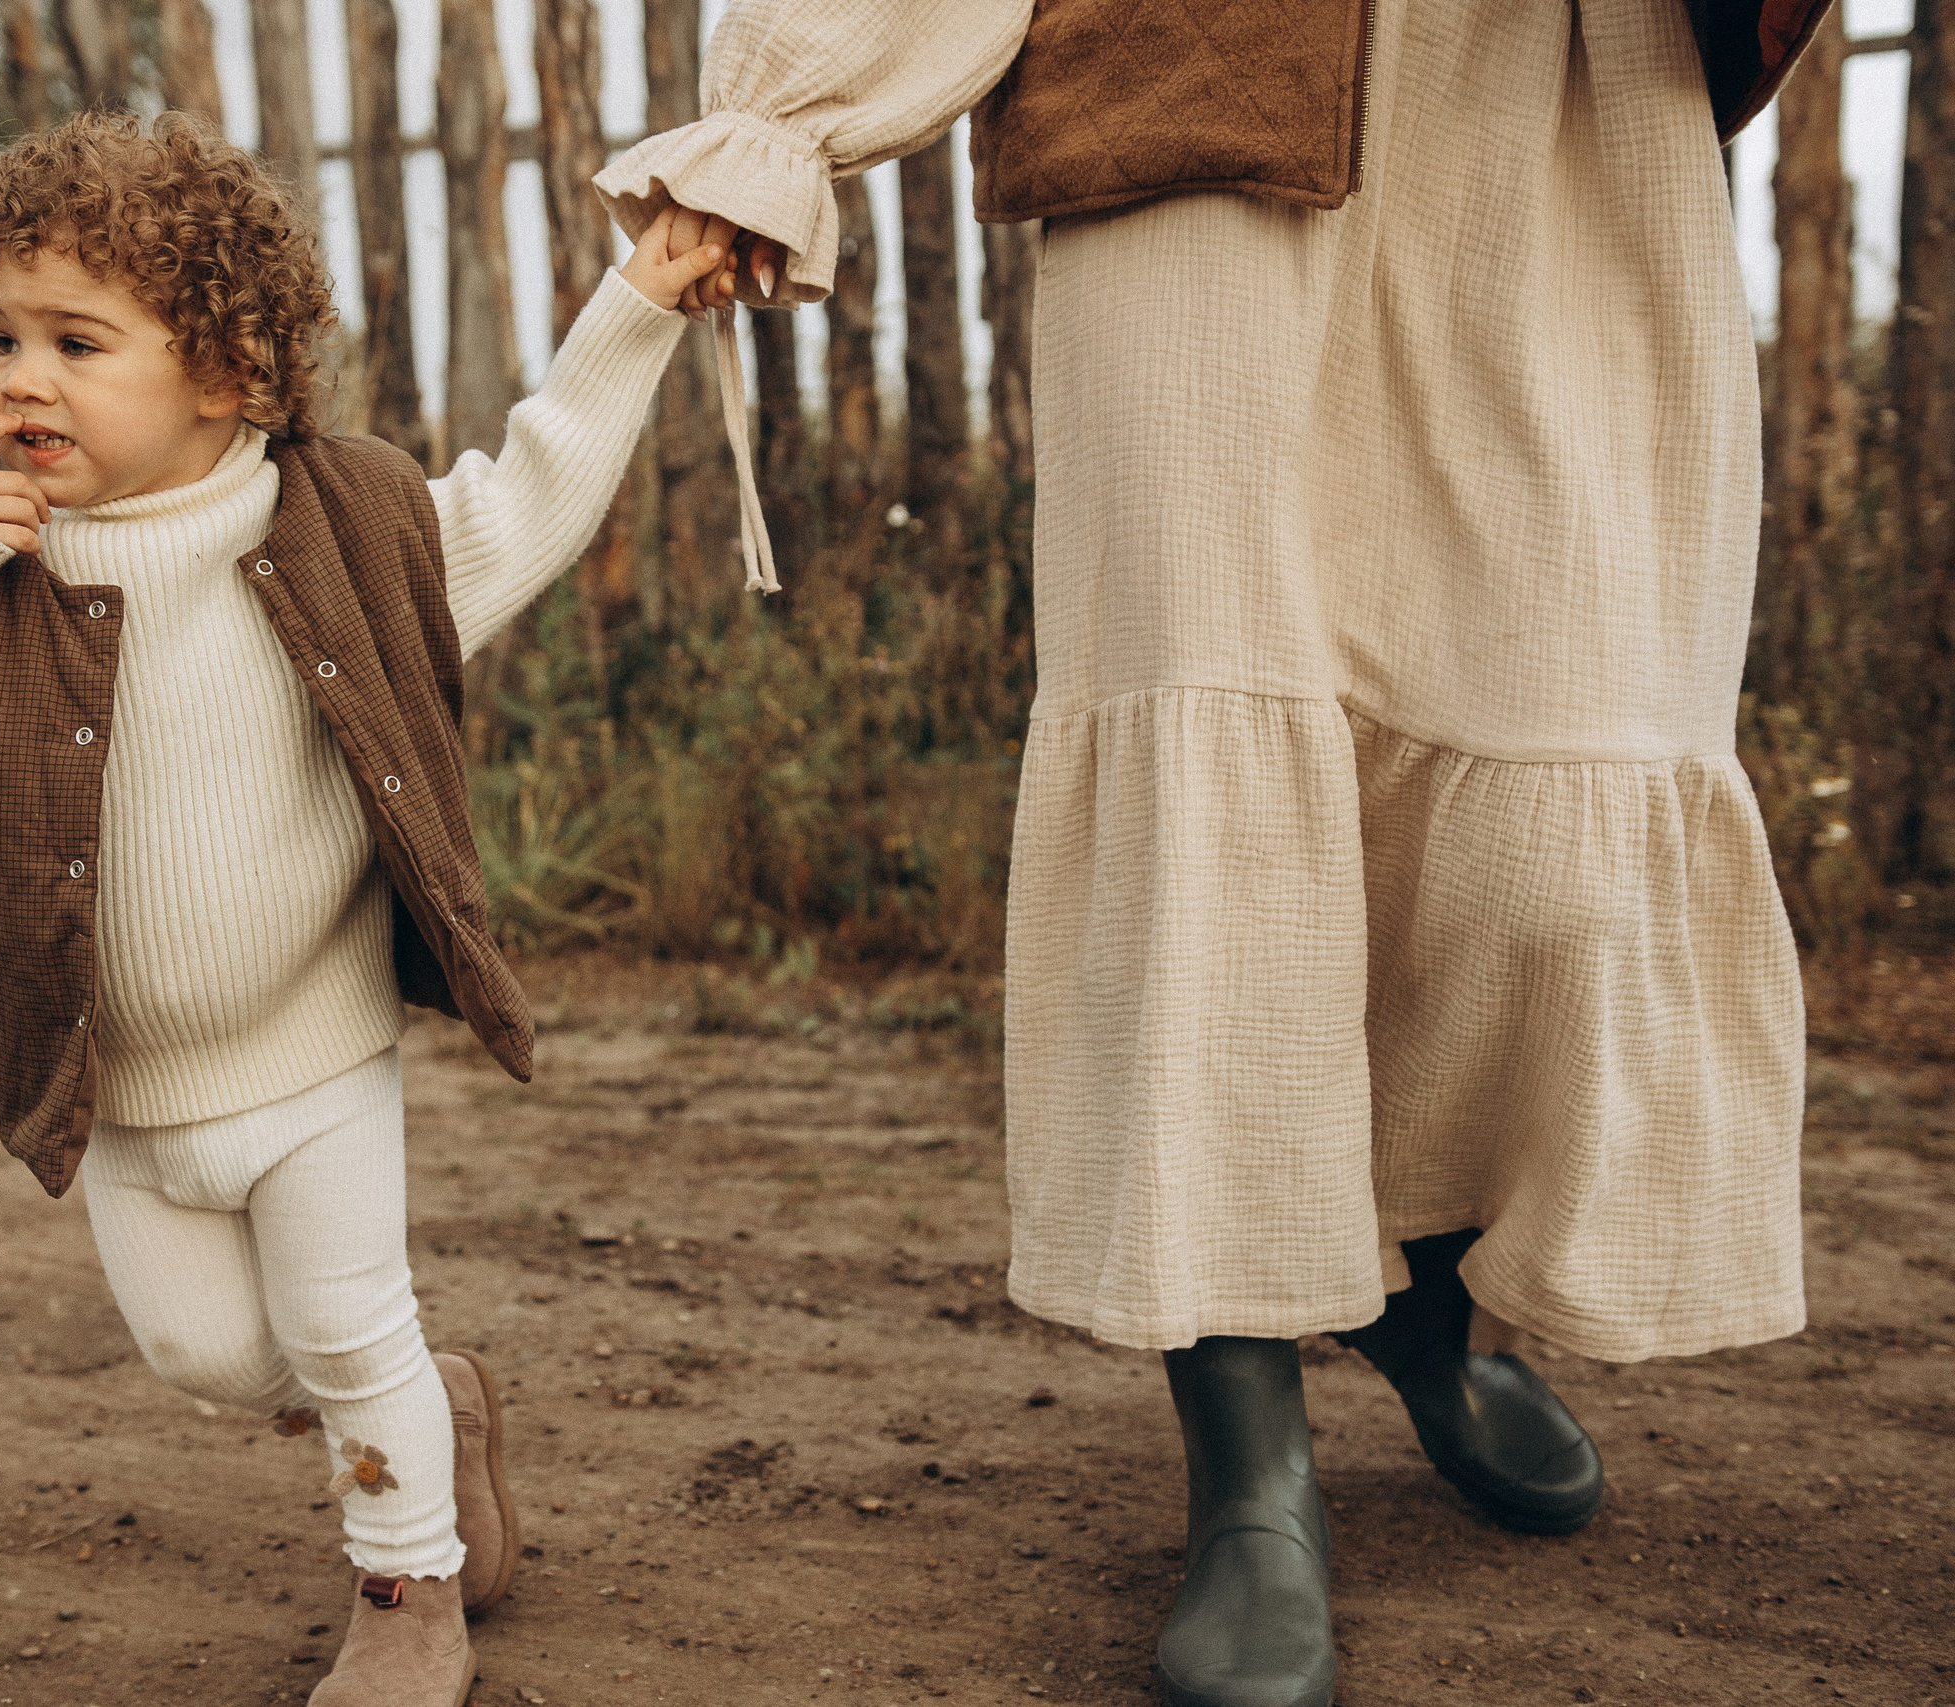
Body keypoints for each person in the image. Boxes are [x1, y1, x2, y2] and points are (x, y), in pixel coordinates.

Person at [593, 4, 1830, 1704]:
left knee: (1560, 815)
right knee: (1208, 773)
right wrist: (796, 116)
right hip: (1192, 105)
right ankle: (1247, 1465)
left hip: (1554, 100)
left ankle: (1422, 1296)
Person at [0, 110, 731, 1706]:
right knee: (206, 1358)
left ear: (224, 370)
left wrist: (633, 308)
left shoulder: (338, 529)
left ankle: (407, 1590)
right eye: (3, 337)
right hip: (128, 1088)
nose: (20, 378)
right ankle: (436, 1408)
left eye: (79, 342)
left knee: (352, 1330)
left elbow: (536, 493)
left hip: (317, 1053)